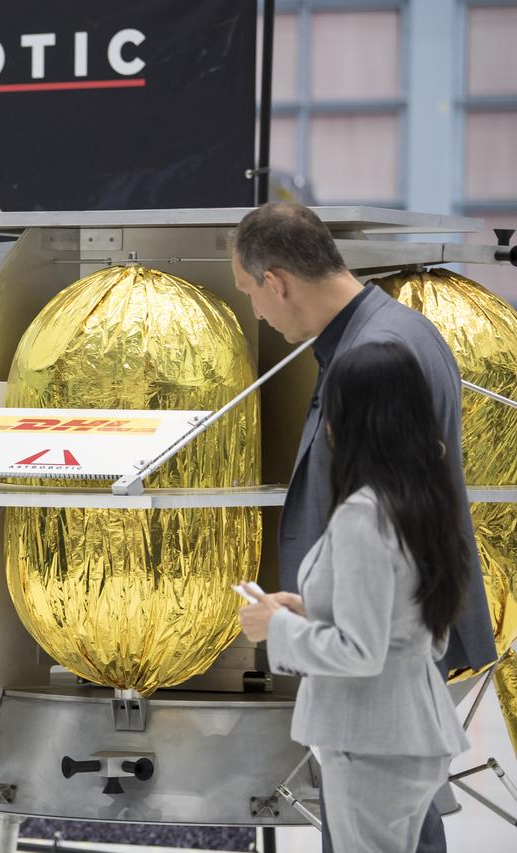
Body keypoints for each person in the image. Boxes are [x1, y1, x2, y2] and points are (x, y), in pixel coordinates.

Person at [230, 202, 495, 853]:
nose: (258, 314)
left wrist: (287, 627)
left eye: (250, 295)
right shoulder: (383, 337)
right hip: (394, 696)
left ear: (277, 280)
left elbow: (387, 547)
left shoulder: (379, 352)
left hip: (375, 714)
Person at [238, 340, 471, 853]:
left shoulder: (364, 516)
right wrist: (311, 611)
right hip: (412, 732)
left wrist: (275, 627)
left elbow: (361, 653)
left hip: (371, 741)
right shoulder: (424, 501)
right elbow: (421, 636)